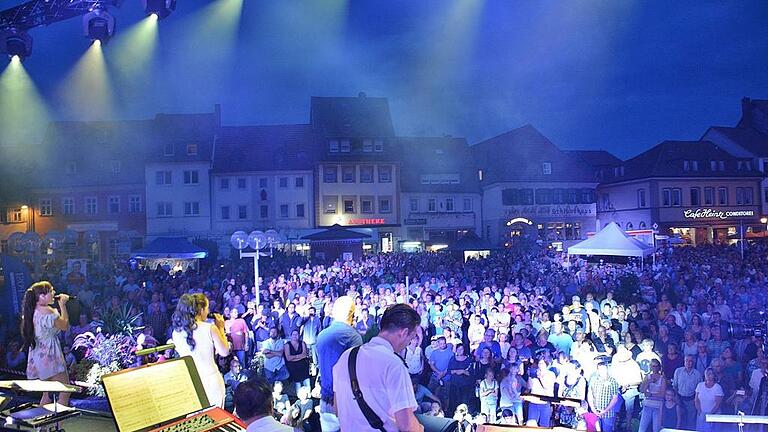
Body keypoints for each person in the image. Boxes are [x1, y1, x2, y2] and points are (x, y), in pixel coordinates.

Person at [333, 303, 424, 432]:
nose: (410, 343)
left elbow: (337, 409)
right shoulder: (394, 365)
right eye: (412, 337)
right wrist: (419, 428)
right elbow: (407, 426)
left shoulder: (346, 357)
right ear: (403, 333)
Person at [171, 293, 230, 407]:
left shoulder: (176, 333)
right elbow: (224, 352)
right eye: (207, 309)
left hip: (191, 383)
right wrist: (221, 328)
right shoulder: (210, 328)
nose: (208, 312)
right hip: (210, 381)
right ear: (201, 310)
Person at [315, 296, 362, 432]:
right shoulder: (353, 336)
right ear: (351, 313)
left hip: (325, 398)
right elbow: (356, 370)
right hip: (345, 400)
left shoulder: (322, 335)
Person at [21, 281, 71, 406]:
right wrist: (63, 305)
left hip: (38, 354)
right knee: (65, 390)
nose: (54, 293)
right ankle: (58, 422)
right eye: (51, 291)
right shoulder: (47, 311)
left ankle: (43, 424)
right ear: (42, 296)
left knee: (46, 394)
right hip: (50, 355)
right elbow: (64, 325)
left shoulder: (33, 310)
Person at [588, 361, 622, 432]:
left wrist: (605, 410)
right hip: (595, 412)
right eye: (600, 369)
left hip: (608, 414)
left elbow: (615, 398)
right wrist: (593, 409)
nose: (601, 371)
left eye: (603, 369)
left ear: (607, 369)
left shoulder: (613, 381)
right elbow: (590, 394)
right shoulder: (593, 380)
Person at [672, 354, 702, 429]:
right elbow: (675, 386)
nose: (688, 363)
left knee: (690, 421)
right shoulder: (678, 371)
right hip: (679, 399)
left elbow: (699, 390)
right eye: (687, 361)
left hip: (691, 400)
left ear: (693, 362)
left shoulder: (697, 374)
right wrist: (676, 398)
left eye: (690, 361)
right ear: (684, 361)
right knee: (679, 420)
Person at [638, 359, 666, 432]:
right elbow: (641, 390)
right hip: (647, 405)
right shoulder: (647, 377)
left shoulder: (662, 379)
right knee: (642, 428)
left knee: (656, 429)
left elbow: (662, 394)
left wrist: (650, 394)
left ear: (659, 367)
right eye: (652, 366)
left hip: (658, 406)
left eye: (656, 366)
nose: (654, 368)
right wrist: (648, 382)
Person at [695, 367, 724, 432]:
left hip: (714, 415)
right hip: (701, 414)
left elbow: (717, 404)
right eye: (707, 373)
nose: (708, 375)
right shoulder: (700, 385)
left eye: (710, 373)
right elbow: (696, 400)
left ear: (714, 375)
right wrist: (700, 412)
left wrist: (709, 415)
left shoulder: (717, 387)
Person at [284, 328, 311, 395]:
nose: (295, 336)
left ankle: (308, 395)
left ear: (299, 335)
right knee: (297, 382)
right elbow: (288, 358)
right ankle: (299, 396)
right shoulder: (287, 345)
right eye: (293, 334)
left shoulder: (302, 343)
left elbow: (304, 355)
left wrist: (294, 357)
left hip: (303, 365)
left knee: (307, 381)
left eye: (296, 334)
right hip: (293, 367)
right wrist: (299, 356)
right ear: (291, 336)